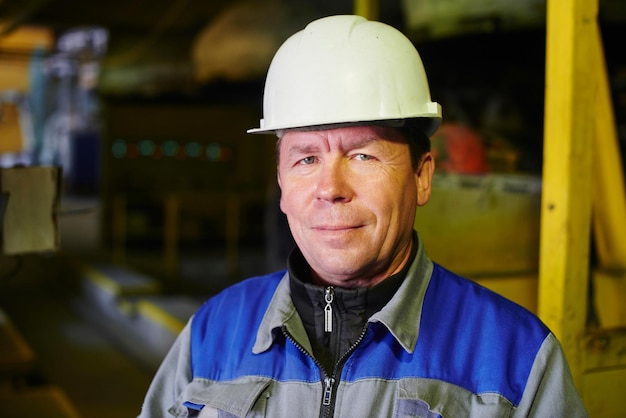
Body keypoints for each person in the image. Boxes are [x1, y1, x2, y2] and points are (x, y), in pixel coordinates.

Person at [138, 15, 588, 417]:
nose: (331, 189)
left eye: (363, 156)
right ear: (280, 181)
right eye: (306, 160)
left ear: (422, 176)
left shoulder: (518, 358)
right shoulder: (211, 334)